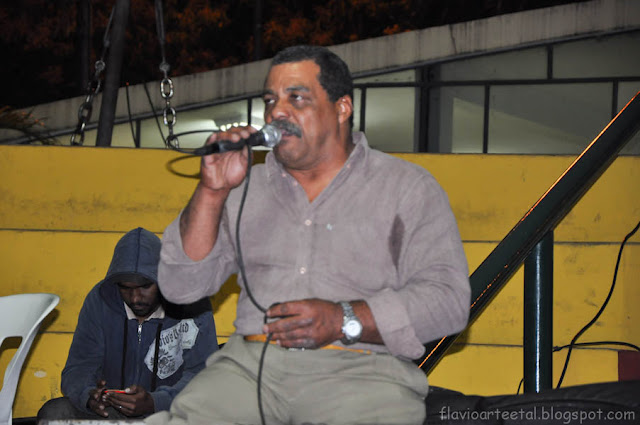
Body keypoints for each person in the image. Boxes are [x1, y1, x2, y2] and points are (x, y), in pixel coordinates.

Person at [148, 45, 470, 425]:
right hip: (248, 371)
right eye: (270, 100)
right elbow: (180, 289)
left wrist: (342, 318)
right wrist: (212, 191)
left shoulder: (407, 187)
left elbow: (448, 302)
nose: (277, 112)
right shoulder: (242, 186)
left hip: (364, 372)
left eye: (296, 98)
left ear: (342, 108)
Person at [37, 227, 219, 422]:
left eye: (145, 287)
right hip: (113, 412)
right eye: (125, 288)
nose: (135, 298)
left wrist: (155, 402)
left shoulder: (191, 304)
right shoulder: (101, 301)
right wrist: (89, 396)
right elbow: (79, 367)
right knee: (56, 413)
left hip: (172, 412)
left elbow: (204, 376)